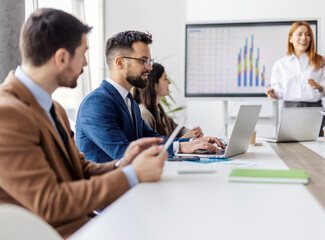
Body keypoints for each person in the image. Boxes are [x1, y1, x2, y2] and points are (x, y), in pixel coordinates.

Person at [0, 8, 168, 238]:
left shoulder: (53, 107)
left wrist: (123, 164)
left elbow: (79, 169)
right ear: (61, 58)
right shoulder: (6, 114)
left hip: (85, 223)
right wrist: (131, 175)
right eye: (83, 54)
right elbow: (50, 203)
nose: (86, 63)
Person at [76, 31, 224, 163]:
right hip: (111, 189)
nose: (149, 67)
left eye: (149, 61)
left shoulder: (129, 101)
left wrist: (193, 142)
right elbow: (122, 152)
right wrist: (182, 146)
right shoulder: (96, 103)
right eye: (143, 60)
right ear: (120, 63)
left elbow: (151, 139)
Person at [265, 21, 325, 136]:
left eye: (308, 35)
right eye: (300, 34)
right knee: (290, 152)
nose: (304, 38)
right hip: (289, 112)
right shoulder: (280, 64)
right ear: (290, 38)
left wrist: (320, 87)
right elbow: (279, 92)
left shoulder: (322, 61)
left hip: (314, 112)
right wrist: (274, 94)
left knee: (318, 151)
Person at [133, 62, 203, 139]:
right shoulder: (144, 114)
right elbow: (150, 147)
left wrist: (193, 133)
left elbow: (178, 130)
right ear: (154, 84)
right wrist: (182, 140)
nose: (169, 82)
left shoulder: (158, 109)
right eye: (165, 78)